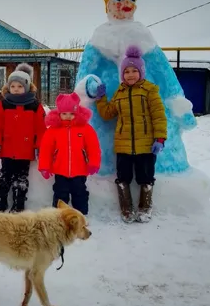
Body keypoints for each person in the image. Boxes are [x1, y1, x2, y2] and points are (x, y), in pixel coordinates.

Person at [93, 45, 167, 223]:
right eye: (127, 71)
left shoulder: (150, 91)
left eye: (134, 70)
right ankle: (126, 209)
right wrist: (101, 99)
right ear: (122, 74)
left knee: (146, 177)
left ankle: (145, 208)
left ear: (141, 72)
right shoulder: (120, 93)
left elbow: (159, 116)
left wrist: (160, 138)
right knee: (123, 177)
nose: (131, 75)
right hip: (124, 144)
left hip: (146, 145)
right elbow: (107, 113)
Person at [0, 63, 46, 213]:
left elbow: (40, 129)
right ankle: (0, 205)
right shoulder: (4, 104)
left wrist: (38, 147)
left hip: (24, 151)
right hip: (7, 149)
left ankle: (18, 206)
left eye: (20, 86)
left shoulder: (34, 106)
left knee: (21, 180)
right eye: (13, 86)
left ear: (27, 87)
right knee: (4, 178)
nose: (16, 89)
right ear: (8, 87)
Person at [38, 92, 101, 215]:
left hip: (80, 170)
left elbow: (93, 148)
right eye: (64, 113)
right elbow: (46, 149)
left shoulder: (85, 129)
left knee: (80, 192)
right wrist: (44, 166)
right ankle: (59, 215)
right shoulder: (53, 130)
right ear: (59, 113)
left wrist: (94, 163)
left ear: (77, 113)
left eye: (72, 113)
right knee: (60, 193)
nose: (68, 116)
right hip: (60, 170)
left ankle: (81, 214)